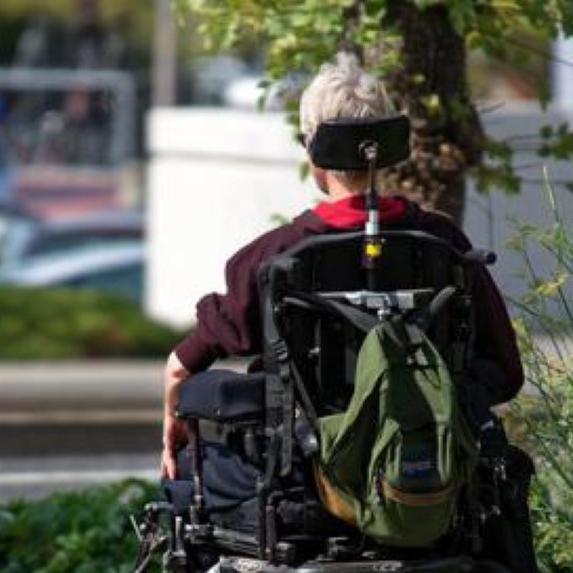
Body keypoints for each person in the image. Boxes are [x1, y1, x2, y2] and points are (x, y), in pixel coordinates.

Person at [159, 53, 524, 480]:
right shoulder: (443, 247)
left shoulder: (273, 256)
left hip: (303, 477)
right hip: (428, 474)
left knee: (188, 466)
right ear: (388, 146)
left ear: (313, 148)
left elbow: (180, 368)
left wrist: (173, 429)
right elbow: (506, 372)